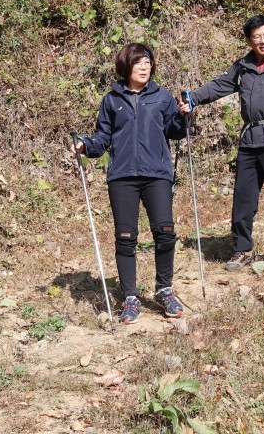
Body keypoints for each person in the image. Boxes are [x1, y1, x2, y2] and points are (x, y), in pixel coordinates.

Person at [178, 15, 264, 271]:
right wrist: (193, 99)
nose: (263, 40)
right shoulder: (242, 66)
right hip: (250, 140)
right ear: (249, 40)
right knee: (243, 197)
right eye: (257, 37)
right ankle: (242, 248)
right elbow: (219, 86)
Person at [71, 43, 187, 324]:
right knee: (125, 238)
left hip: (157, 173)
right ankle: (131, 298)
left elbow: (175, 131)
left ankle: (164, 290)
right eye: (139, 63)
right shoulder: (112, 100)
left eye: (148, 62)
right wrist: (85, 146)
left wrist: (184, 116)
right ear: (126, 66)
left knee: (165, 231)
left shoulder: (162, 97)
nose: (145, 67)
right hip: (122, 176)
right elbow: (102, 138)